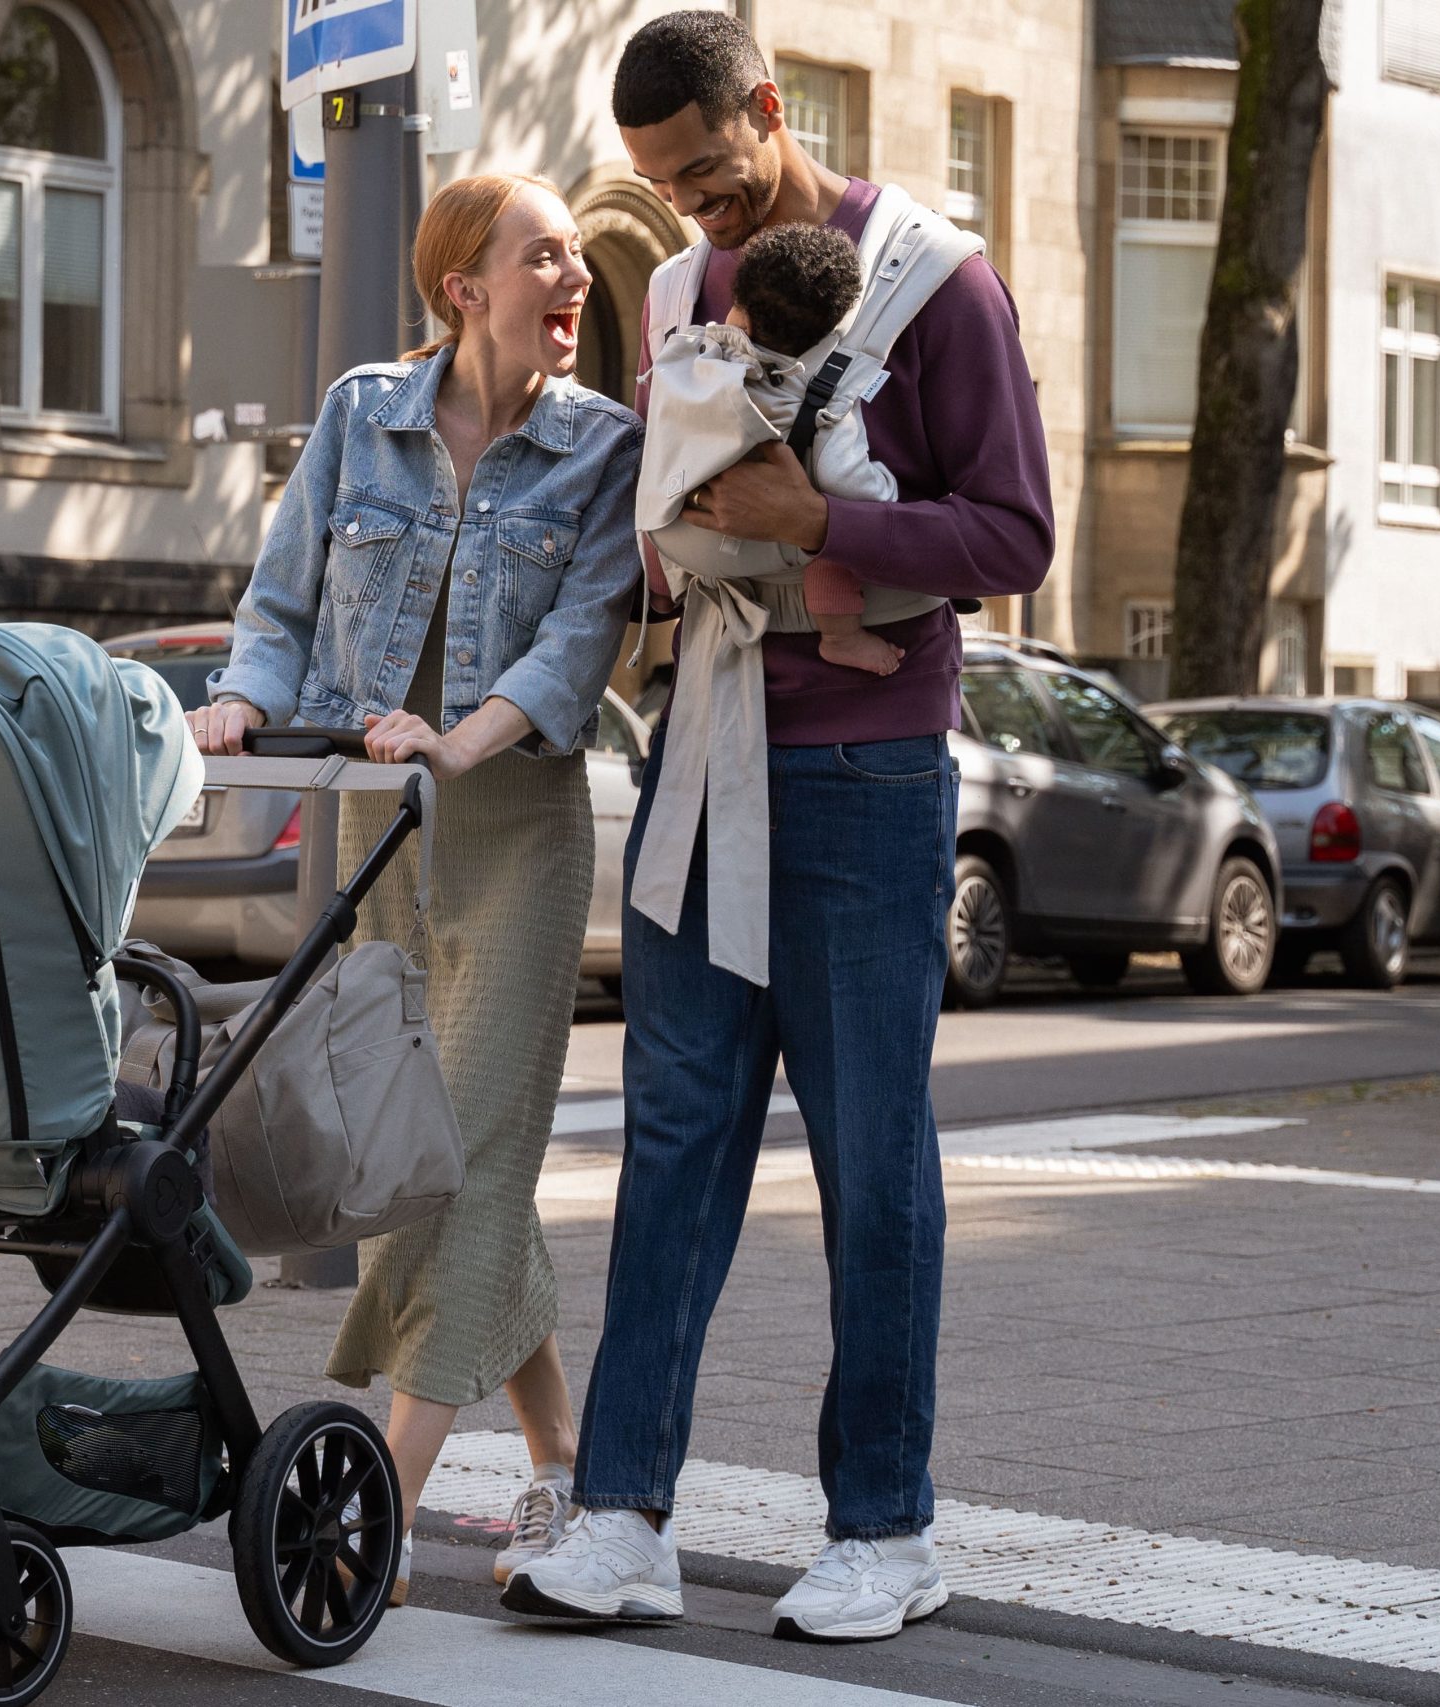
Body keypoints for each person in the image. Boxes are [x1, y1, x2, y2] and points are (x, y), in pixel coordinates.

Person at [504, 10, 1052, 1642]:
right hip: (704, 745)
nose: (698, 218)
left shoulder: (940, 283)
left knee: (869, 1152)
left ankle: (885, 1526)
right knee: (674, 1141)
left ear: (768, 107)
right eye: (668, 192)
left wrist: (820, 517)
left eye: (713, 174)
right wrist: (673, 543)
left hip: (871, 764)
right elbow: (660, 514)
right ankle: (622, 1516)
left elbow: (1016, 529)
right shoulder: (673, 292)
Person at [195, 173, 642, 1607]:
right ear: (466, 286)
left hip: (510, 828)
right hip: (383, 832)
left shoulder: (601, 448)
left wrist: (457, 739)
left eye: (576, 256)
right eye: (546, 257)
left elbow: (578, 645)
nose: (575, 279)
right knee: (409, 1154)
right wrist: (241, 705)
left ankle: (372, 1499)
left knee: (476, 1157)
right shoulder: (359, 414)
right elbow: (281, 602)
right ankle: (564, 1445)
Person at [714, 223, 904, 676]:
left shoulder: (709, 358)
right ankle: (841, 636)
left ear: (741, 315)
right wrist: (888, 491)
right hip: (780, 527)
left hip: (707, 515)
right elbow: (844, 479)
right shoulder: (819, 395)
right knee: (830, 545)